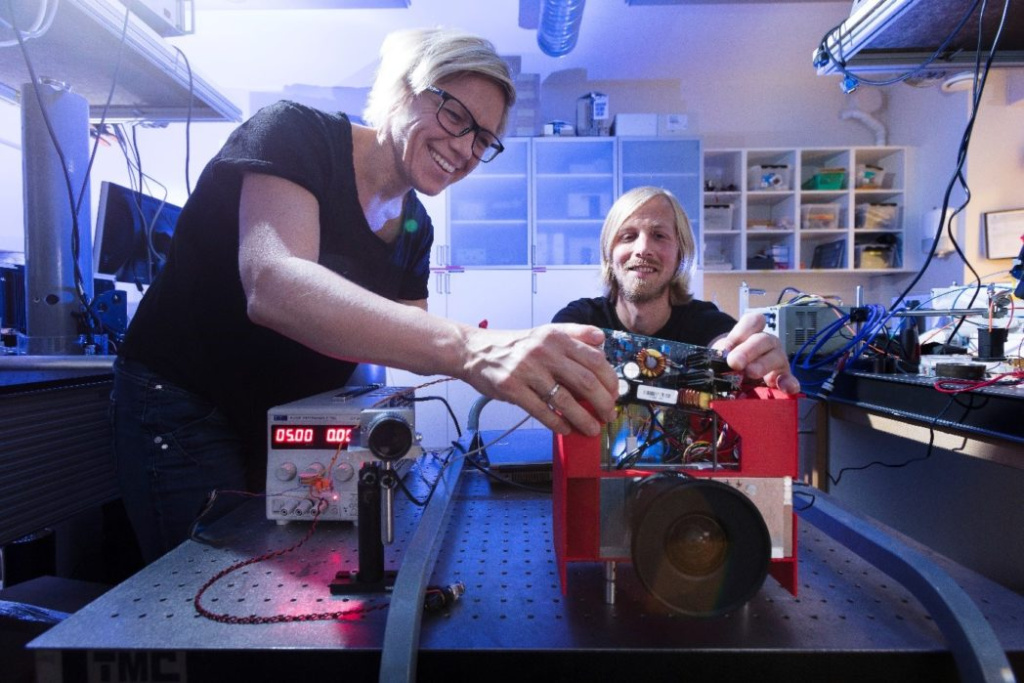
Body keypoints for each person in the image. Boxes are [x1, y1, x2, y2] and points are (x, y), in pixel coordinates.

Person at [112, 27, 618, 564]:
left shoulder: (414, 227)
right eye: (455, 117)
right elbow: (274, 284)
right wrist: (475, 349)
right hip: (184, 403)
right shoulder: (295, 135)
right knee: (206, 591)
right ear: (403, 88)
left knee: (276, 575)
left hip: (286, 419)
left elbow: (400, 341)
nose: (467, 150)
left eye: (484, 140)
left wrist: (515, 360)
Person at [553, 185, 800, 394]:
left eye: (659, 235)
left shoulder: (705, 322)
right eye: (628, 236)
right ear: (609, 254)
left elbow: (725, 345)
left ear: (680, 254)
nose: (643, 249)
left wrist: (747, 357)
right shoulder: (579, 320)